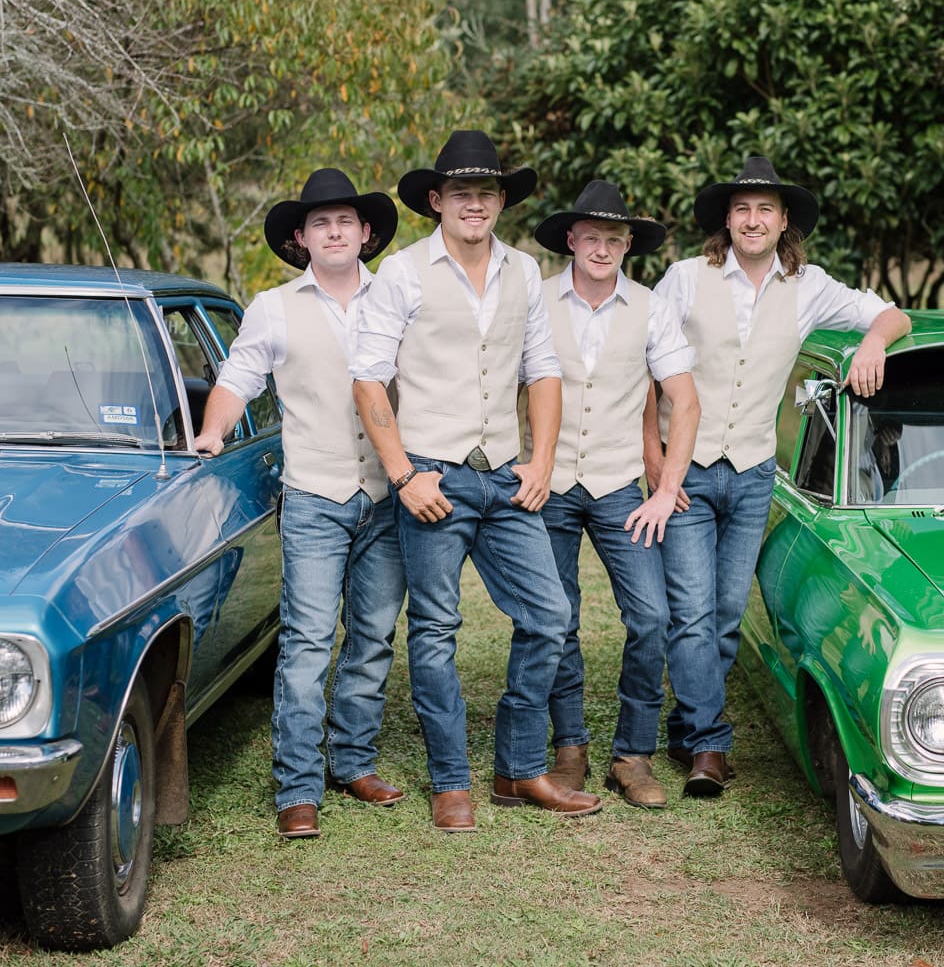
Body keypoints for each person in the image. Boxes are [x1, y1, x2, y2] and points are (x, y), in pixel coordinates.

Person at [351, 130, 603, 831]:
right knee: (435, 630)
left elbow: (543, 369)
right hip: (432, 477)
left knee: (549, 615)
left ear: (501, 200)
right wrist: (402, 475)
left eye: (486, 192)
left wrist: (543, 458)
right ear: (436, 200)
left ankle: (519, 769)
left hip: (506, 480)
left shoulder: (524, 270)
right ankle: (450, 780)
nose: (475, 204)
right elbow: (369, 379)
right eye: (461, 192)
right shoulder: (403, 272)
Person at [646, 156, 912, 797]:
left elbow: (892, 313)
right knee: (690, 611)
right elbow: (642, 362)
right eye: (743, 209)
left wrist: (872, 343)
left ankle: (690, 726)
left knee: (729, 611)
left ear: (784, 220)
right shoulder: (685, 278)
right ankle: (709, 745)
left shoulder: (810, 285)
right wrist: (653, 462)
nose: (754, 220)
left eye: (766, 209)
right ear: (727, 220)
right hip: (685, 468)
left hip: (752, 471)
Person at [194, 168, 406, 840]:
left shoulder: (400, 297)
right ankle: (297, 786)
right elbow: (238, 378)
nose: (335, 230)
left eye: (346, 220)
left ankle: (353, 760)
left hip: (389, 492)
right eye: (321, 222)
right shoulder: (273, 306)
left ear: (366, 232)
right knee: (309, 642)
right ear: (301, 238)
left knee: (372, 636)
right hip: (314, 492)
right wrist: (211, 431)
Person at [529, 180, 700, 809]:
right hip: (548, 485)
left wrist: (666, 486)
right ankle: (569, 748)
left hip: (618, 485)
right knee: (557, 618)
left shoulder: (652, 307)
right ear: (571, 240)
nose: (602, 248)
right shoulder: (536, 299)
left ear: (629, 245)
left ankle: (632, 756)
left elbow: (684, 398)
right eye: (591, 237)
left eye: (615, 238)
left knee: (651, 616)